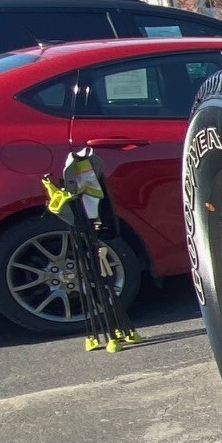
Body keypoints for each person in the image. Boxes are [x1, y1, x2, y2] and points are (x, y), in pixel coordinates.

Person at [40, 146, 142, 351]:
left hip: (89, 228)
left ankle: (114, 333)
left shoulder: (86, 169)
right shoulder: (82, 170)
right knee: (96, 277)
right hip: (83, 228)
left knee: (101, 277)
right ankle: (112, 334)